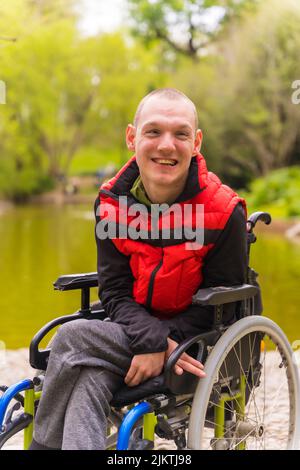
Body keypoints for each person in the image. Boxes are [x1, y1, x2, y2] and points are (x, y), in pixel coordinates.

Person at [29, 88, 247, 450]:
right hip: (131, 335)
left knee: (70, 339)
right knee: (87, 378)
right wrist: (150, 341)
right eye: (153, 132)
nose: (166, 145)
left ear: (196, 142)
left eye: (180, 134)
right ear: (132, 138)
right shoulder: (111, 204)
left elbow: (220, 308)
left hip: (194, 346)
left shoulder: (224, 212)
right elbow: (114, 291)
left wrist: (160, 345)